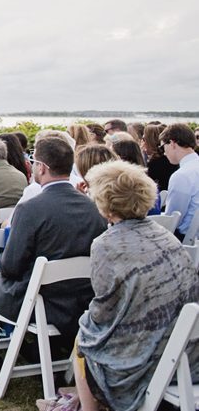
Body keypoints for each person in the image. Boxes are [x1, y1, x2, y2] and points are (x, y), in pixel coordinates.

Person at [0, 136, 107, 390]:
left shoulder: (31, 208)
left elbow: (10, 267)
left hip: (37, 300)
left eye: (34, 162)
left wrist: (4, 262)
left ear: (41, 167)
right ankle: (38, 353)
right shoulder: (94, 208)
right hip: (80, 302)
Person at [74, 161, 199, 411]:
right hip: (187, 351)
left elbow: (103, 311)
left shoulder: (106, 244)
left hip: (147, 357)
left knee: (84, 335)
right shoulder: (165, 235)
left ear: (105, 203)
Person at [161, 123, 199, 240]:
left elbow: (172, 219)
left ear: (172, 143)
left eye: (163, 146)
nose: (164, 152)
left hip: (186, 239)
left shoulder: (182, 175)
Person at [142, 123, 176, 191]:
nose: (143, 143)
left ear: (151, 141)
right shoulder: (173, 159)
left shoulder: (155, 164)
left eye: (144, 139)